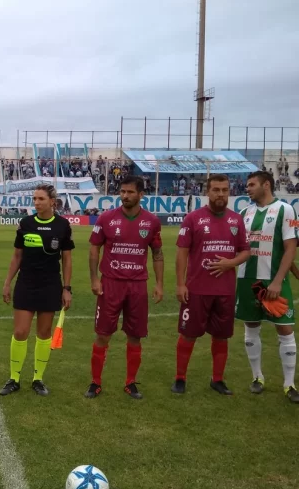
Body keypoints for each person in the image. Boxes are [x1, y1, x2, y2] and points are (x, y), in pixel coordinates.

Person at [172, 174, 251, 394]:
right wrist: (180, 284)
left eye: (225, 190)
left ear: (230, 192)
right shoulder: (193, 218)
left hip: (225, 291)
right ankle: (180, 378)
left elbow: (246, 250)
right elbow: (182, 254)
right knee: (188, 334)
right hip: (197, 289)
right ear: (208, 192)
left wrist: (231, 263)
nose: (221, 194)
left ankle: (217, 379)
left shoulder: (236, 220)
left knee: (221, 335)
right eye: (216, 190)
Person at [86, 175, 164, 400]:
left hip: (138, 286)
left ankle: (130, 382)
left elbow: (157, 254)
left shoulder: (151, 222)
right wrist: (94, 279)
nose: (125, 196)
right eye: (122, 192)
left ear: (141, 195)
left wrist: (159, 284)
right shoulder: (106, 218)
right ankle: (95, 382)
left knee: (135, 335)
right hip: (110, 284)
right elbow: (94, 250)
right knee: (103, 334)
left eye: (130, 192)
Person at [0, 184, 74, 397]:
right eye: (34, 199)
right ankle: (14, 378)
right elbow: (17, 256)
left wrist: (66, 288)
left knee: (43, 333)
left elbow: (67, 260)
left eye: (41, 199)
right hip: (26, 283)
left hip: (50, 284)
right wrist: (7, 282)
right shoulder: (25, 223)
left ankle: (37, 379)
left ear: (52, 201)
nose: (36, 202)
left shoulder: (62, 225)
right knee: (20, 332)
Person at [235, 171, 299, 403]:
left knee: (285, 329)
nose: (247, 188)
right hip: (246, 280)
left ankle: (289, 384)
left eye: (252, 184)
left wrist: (278, 280)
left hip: (274, 281)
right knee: (251, 327)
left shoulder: (286, 209)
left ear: (267, 184)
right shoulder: (243, 213)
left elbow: (290, 246)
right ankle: (257, 377)